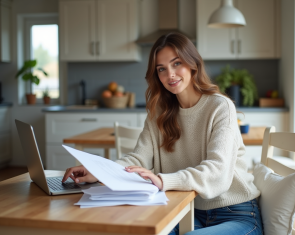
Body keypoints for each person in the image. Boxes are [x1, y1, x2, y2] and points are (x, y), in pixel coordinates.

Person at [62, 32, 263, 235]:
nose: (170, 75)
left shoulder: (220, 106)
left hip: (237, 213)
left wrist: (163, 180)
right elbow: (137, 159)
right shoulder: (159, 112)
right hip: (188, 211)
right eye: (161, 69)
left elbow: (217, 171)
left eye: (176, 64)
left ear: (192, 63)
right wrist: (99, 171)